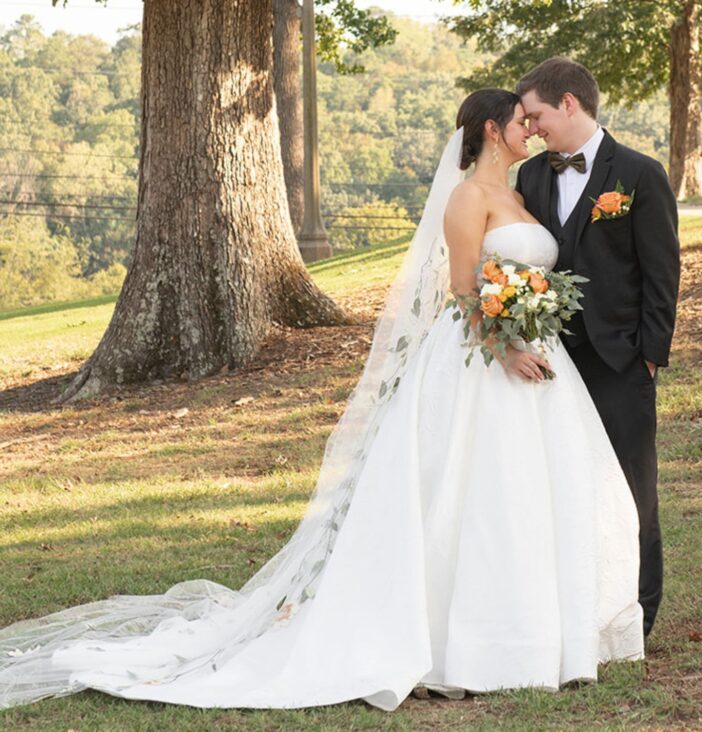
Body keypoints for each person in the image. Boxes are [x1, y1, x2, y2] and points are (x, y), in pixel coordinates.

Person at [0, 89, 644, 713]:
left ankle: (537, 637)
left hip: (538, 359)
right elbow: (461, 288)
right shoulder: (467, 197)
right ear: (491, 130)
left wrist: (533, 324)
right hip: (484, 361)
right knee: (469, 493)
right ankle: (457, 646)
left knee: (525, 494)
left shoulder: (522, 194)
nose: (530, 130)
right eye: (520, 121)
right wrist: (503, 349)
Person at [514, 58, 681, 637]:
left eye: (535, 115)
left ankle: (639, 615)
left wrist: (649, 357)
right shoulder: (530, 178)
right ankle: (575, 610)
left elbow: (662, 273)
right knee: (563, 487)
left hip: (619, 361)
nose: (531, 129)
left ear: (568, 103)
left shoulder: (639, 173)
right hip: (551, 361)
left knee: (634, 491)